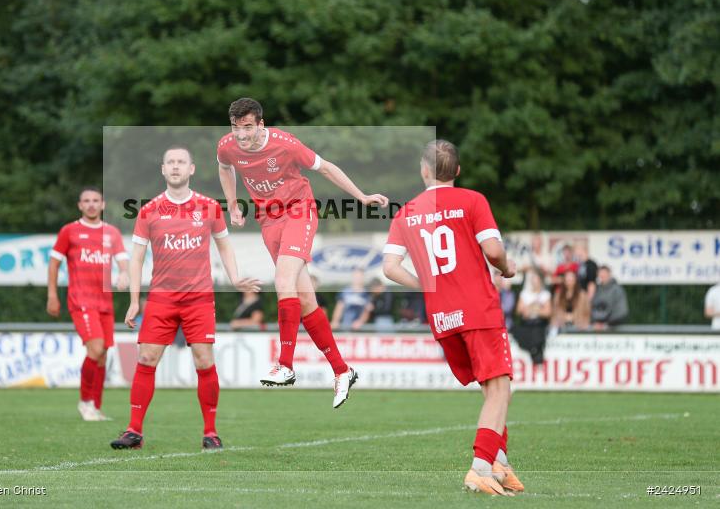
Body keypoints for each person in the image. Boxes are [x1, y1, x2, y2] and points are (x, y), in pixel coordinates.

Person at [217, 97, 387, 407]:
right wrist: (232, 204)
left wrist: (361, 197)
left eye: (248, 127)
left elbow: (327, 168)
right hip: (268, 221)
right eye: (235, 128)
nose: (241, 135)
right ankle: (342, 370)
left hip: (299, 212)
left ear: (261, 125)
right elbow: (224, 167)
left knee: (283, 281)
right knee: (306, 300)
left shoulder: (285, 144)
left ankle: (285, 365)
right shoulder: (227, 146)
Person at [382, 139, 523, 496]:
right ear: (457, 170)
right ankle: (481, 468)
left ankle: (500, 462)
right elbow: (493, 250)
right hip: (477, 310)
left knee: (491, 389)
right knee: (500, 389)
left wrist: (428, 285)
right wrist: (507, 268)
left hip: (442, 317)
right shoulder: (472, 200)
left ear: (424, 170)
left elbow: (390, 267)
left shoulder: (406, 212)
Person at [111, 147, 259, 451]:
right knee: (146, 358)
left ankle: (211, 433)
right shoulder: (149, 210)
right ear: (163, 169)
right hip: (161, 299)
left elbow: (224, 246)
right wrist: (135, 300)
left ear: (191, 169)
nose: (176, 166)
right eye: (171, 162)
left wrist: (234, 277)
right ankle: (134, 431)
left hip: (198, 299)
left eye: (181, 162)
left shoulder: (209, 207)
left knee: (204, 360)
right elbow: (136, 258)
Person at [47, 186, 130, 421]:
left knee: (102, 354)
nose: (91, 204)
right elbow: (54, 263)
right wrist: (52, 295)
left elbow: (123, 261)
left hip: (105, 303)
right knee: (95, 348)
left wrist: (124, 274)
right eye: (86, 201)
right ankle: (85, 402)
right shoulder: (69, 231)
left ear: (103, 205)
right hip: (81, 300)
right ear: (80, 205)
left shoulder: (112, 233)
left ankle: (95, 406)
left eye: (95, 200)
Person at [513, 271, 551, 365]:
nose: (534, 282)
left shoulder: (545, 294)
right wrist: (536, 307)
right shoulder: (525, 293)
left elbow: (547, 312)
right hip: (526, 325)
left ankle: (536, 356)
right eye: (532, 279)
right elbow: (519, 311)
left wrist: (529, 309)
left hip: (539, 325)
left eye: (536, 279)